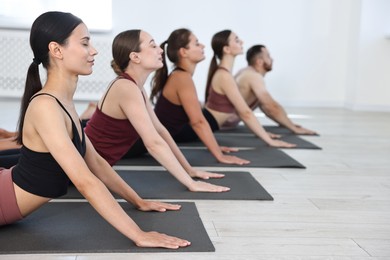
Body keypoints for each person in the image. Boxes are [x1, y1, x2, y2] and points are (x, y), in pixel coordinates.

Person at [0, 11, 191, 249]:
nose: (94, 51)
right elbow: (85, 181)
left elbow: (97, 164)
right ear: (56, 50)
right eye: (85, 43)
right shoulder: (46, 106)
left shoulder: (62, 102)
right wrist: (138, 234)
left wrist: (137, 201)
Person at [84, 29, 229, 193]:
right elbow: (153, 143)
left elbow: (160, 131)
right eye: (153, 46)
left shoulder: (136, 88)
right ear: (135, 57)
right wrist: (191, 183)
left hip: (91, 167)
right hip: (77, 167)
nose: (160, 50)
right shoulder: (125, 88)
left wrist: (189, 170)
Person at [150, 28, 249, 166]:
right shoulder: (181, 77)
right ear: (183, 52)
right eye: (197, 43)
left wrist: (214, 146)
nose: (202, 46)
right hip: (136, 144)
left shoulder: (180, 76)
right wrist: (219, 156)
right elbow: (198, 122)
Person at [203, 30, 296, 148]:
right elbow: (245, 113)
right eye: (236, 40)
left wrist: (262, 133)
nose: (241, 41)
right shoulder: (224, 76)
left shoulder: (226, 73)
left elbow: (250, 111)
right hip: (202, 125)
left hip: (209, 123)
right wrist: (270, 141)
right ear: (226, 49)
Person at [234, 45, 317, 135]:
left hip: (225, 123)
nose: (272, 59)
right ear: (259, 62)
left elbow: (266, 107)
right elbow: (271, 107)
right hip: (222, 124)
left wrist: (288, 124)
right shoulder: (253, 76)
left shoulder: (245, 72)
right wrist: (294, 129)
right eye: (268, 56)